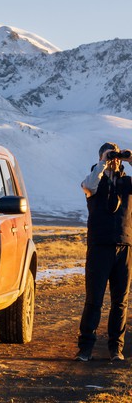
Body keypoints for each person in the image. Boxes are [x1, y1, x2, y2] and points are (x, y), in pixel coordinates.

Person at [76, 142, 132, 362]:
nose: (114, 161)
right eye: (110, 157)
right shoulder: (94, 181)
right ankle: (85, 349)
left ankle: (115, 349)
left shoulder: (127, 183)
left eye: (115, 157)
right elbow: (88, 185)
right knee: (94, 300)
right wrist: (103, 163)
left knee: (120, 301)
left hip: (125, 246)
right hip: (99, 247)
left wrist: (130, 160)